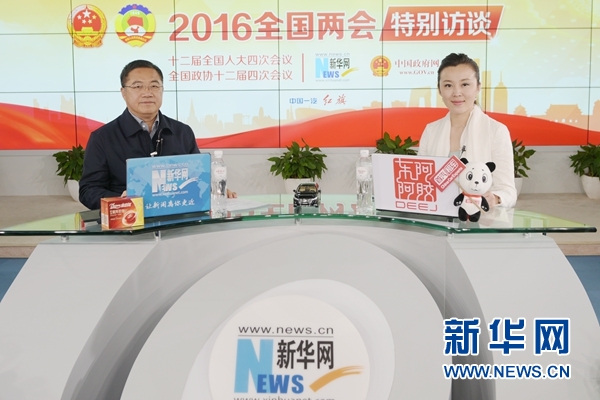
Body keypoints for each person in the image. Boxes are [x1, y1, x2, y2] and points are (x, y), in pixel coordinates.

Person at [79, 59, 236, 210]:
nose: (147, 93)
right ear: (124, 92)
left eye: (154, 86)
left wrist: (213, 191)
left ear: (162, 90)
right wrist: (120, 201)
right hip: (128, 221)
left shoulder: (182, 132)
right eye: (138, 86)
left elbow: (197, 179)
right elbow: (88, 190)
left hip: (178, 219)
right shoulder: (103, 138)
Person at [418, 53, 517, 209]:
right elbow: (421, 183)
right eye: (448, 85)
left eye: (465, 84)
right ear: (439, 90)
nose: (457, 93)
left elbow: (508, 191)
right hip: (436, 216)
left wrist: (495, 198)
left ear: (478, 87)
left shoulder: (496, 131)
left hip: (479, 219)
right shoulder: (431, 131)